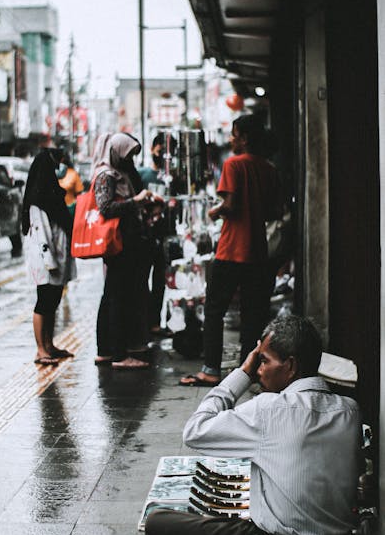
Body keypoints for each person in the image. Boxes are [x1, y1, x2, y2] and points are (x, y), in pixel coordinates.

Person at [145, 315, 369, 535]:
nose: (259, 369)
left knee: (158, 522)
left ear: (289, 366)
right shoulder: (349, 411)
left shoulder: (268, 409)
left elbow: (195, 431)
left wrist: (243, 373)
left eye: (263, 361)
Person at [180, 113, 281, 387]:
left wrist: (213, 211)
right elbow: (273, 211)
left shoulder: (234, 165)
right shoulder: (269, 168)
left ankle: (211, 369)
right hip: (258, 252)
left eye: (234, 134)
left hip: (231, 250)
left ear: (245, 139)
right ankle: (246, 372)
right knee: (253, 313)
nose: (231, 139)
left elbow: (230, 204)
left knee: (214, 310)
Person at [94, 132, 156, 369]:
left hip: (127, 242)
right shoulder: (106, 174)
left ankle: (108, 350)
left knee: (114, 294)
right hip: (118, 243)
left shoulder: (121, 174)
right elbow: (106, 208)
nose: (130, 159)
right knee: (116, 297)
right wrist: (137, 201)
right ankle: (118, 354)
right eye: (128, 154)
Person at [22, 149, 75, 367]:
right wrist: (49, 261)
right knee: (44, 301)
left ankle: (50, 344)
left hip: (57, 256)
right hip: (45, 259)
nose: (57, 170)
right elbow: (41, 233)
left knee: (53, 300)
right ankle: (40, 349)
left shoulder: (53, 195)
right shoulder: (38, 199)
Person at [138, 134, 170, 337]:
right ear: (152, 149)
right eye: (159, 150)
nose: (162, 154)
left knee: (160, 281)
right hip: (144, 236)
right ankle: (143, 321)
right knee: (142, 280)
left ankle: (155, 322)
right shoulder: (143, 174)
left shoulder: (170, 177)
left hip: (165, 234)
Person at [51, 148, 84, 216]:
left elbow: (79, 193)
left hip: (70, 209)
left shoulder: (73, 174)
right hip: (55, 209)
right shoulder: (51, 173)